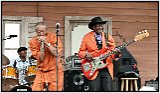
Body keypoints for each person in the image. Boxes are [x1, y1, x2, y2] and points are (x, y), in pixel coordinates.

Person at [78, 17, 120, 91]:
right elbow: (81, 52)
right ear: (93, 27)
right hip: (93, 69)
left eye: (101, 25)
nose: (100, 27)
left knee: (108, 89)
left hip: (106, 68)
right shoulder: (86, 37)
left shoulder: (108, 37)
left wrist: (116, 54)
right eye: (98, 25)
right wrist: (86, 55)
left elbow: (113, 54)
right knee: (94, 89)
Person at [28, 22, 63, 91]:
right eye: (39, 31)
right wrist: (42, 45)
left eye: (43, 31)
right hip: (41, 70)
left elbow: (56, 53)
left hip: (54, 70)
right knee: (35, 90)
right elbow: (41, 58)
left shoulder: (54, 37)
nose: (41, 33)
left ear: (46, 30)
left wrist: (46, 42)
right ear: (36, 31)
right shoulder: (32, 41)